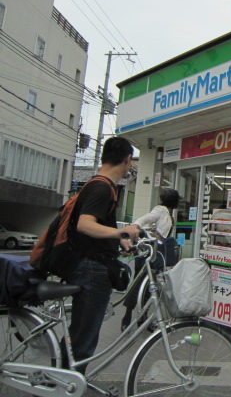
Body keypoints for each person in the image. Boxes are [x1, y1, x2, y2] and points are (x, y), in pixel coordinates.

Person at [64, 136, 141, 374]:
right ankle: (63, 385)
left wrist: (117, 239)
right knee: (83, 340)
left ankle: (62, 380)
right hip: (91, 270)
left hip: (89, 265)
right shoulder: (102, 186)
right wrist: (121, 230)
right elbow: (85, 225)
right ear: (128, 159)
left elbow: (94, 227)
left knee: (81, 335)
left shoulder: (98, 184)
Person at [120, 188, 180, 330]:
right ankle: (128, 315)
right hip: (149, 253)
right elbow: (145, 218)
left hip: (156, 254)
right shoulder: (161, 210)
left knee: (150, 286)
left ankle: (143, 318)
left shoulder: (168, 213)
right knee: (139, 283)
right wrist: (135, 226)